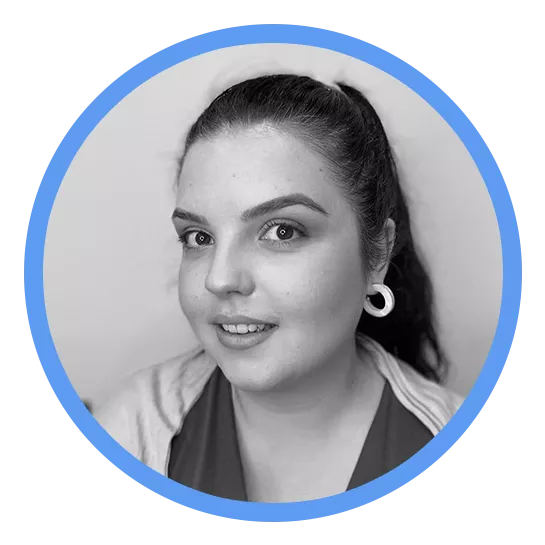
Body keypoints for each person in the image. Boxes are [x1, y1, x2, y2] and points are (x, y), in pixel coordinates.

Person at [95, 74, 462, 503]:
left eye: (282, 231)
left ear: (377, 253)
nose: (219, 279)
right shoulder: (128, 434)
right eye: (199, 237)